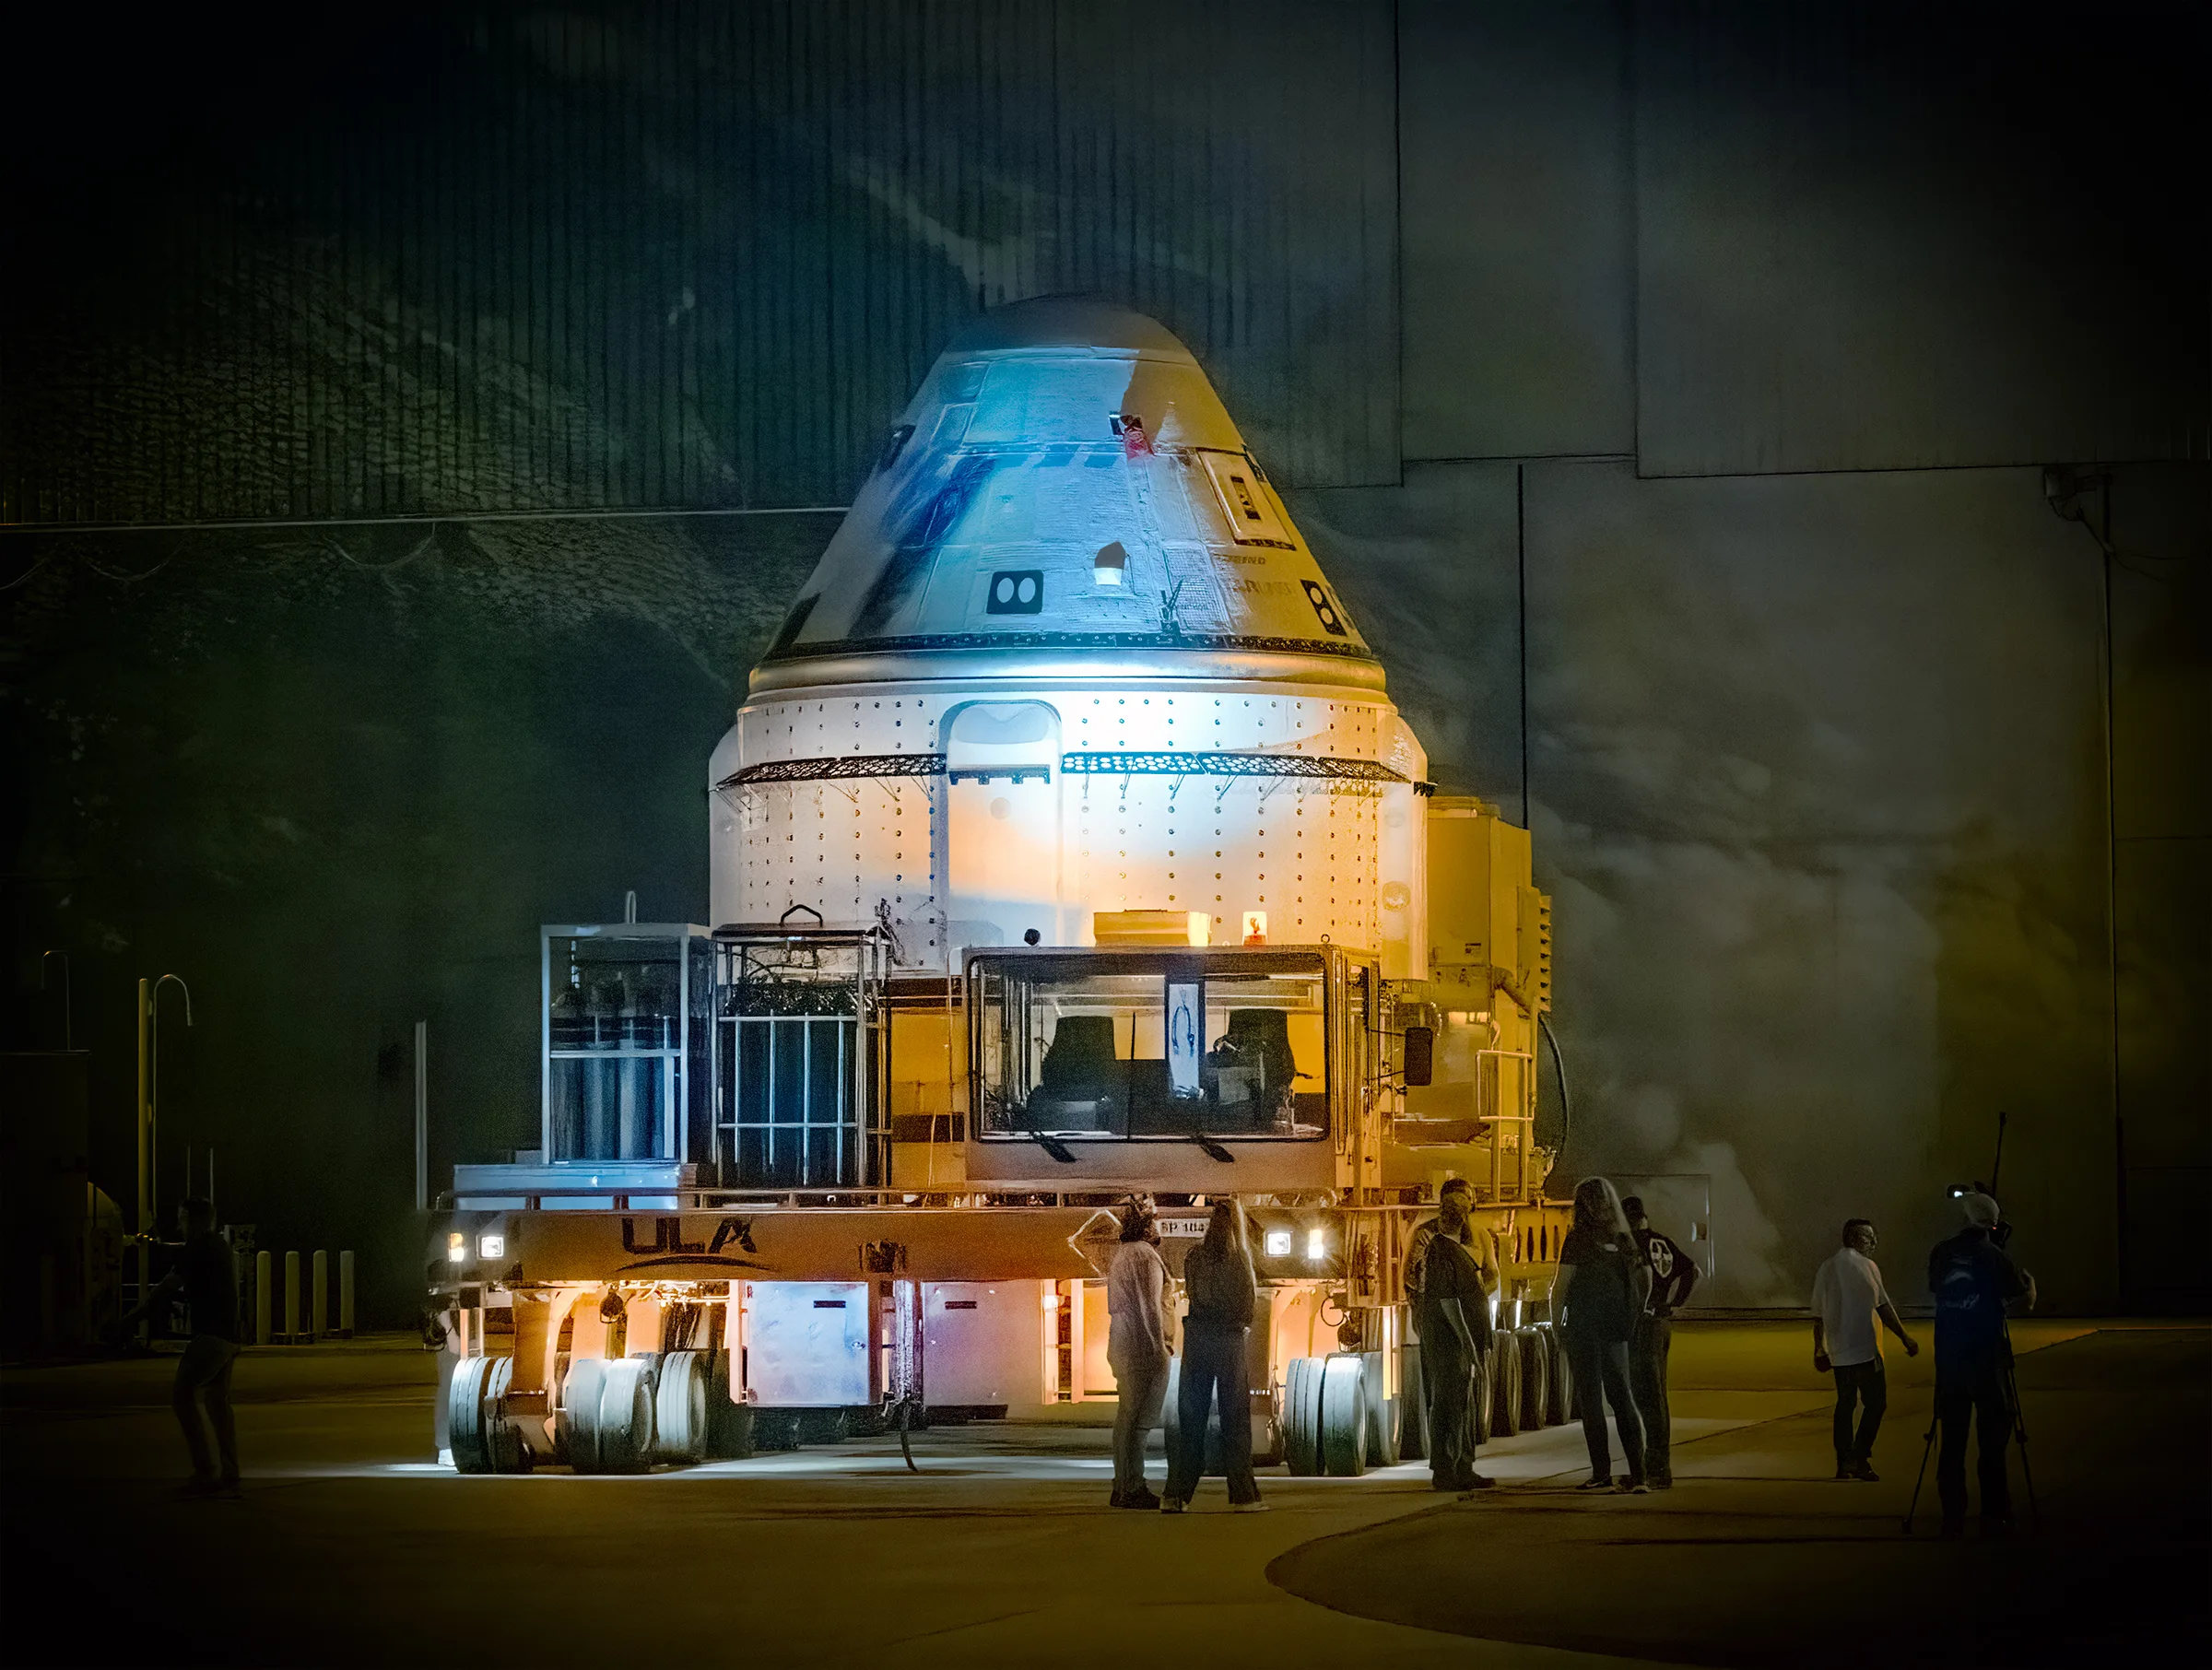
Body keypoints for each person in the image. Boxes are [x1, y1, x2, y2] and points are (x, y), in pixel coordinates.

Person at [1927, 1192, 2035, 1536]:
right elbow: (2021, 1294)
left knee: (1952, 1442)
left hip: (1949, 1359)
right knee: (1992, 1443)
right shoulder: (1994, 1256)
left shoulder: (1943, 1252)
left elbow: (1935, 1286)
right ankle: (1995, 1514)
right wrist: (2028, 1288)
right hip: (1987, 1359)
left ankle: (1952, 1518)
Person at [122, 1196, 241, 1499]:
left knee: (183, 1395)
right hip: (230, 1335)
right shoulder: (219, 1247)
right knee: (217, 1402)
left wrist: (130, 1320)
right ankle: (230, 1471)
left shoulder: (197, 1249)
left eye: (183, 1219)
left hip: (209, 1336)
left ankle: (205, 1472)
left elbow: (165, 1288)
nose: (180, 1225)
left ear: (196, 1221)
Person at [1162, 1200, 1264, 1513]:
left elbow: (1191, 1292)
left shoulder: (1194, 1257)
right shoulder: (1240, 1259)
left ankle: (1176, 1495)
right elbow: (1248, 1306)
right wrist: (1242, 1325)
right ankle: (1243, 1496)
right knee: (1235, 1419)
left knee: (1191, 1417)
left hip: (1198, 1338)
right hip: (1229, 1341)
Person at [1552, 1177, 1651, 1493]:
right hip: (1616, 1328)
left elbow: (1560, 1288)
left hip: (1584, 1328)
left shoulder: (1577, 1240)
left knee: (1591, 1401)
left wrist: (1556, 1326)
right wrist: (1635, 1314)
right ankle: (1639, 1475)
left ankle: (1601, 1473)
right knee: (1623, 1399)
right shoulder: (1624, 1240)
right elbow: (1643, 1277)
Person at [1810, 1217, 1919, 1481]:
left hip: (1839, 1351)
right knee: (1876, 1403)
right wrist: (1905, 1337)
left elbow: (1818, 1313)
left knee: (1845, 1404)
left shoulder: (1827, 1267)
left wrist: (1819, 1349)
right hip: (1866, 1350)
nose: (1874, 1243)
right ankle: (1859, 1457)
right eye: (1869, 1238)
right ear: (1855, 1239)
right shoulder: (1868, 1266)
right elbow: (1883, 1307)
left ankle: (1843, 1460)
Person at [1409, 1179, 1496, 1491]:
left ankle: (1465, 1464)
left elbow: (1492, 1275)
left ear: (1472, 1205)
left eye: (1462, 1203)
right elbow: (1415, 1281)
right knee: (1446, 1397)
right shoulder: (1428, 1238)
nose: (1456, 1210)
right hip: (1440, 1327)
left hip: (1468, 1322)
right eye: (1451, 1204)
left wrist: (1474, 1297)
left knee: (1466, 1398)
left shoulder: (1480, 1237)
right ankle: (1445, 1466)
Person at [1622, 1195, 1698, 1489]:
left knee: (1646, 1397)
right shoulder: (1662, 1243)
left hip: (1642, 1324)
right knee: (1656, 1396)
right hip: (1661, 1322)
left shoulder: (1631, 1246)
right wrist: (1675, 1303)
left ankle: (1654, 1468)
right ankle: (1656, 1465)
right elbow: (1693, 1271)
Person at [1107, 1198, 1171, 1510]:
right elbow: (1151, 1307)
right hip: (1142, 1347)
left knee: (1126, 1418)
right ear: (1147, 1226)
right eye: (1155, 1220)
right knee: (1141, 1422)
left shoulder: (1121, 1255)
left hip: (1121, 1343)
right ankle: (1133, 1486)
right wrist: (1158, 1349)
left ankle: (1122, 1484)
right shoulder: (1146, 1256)